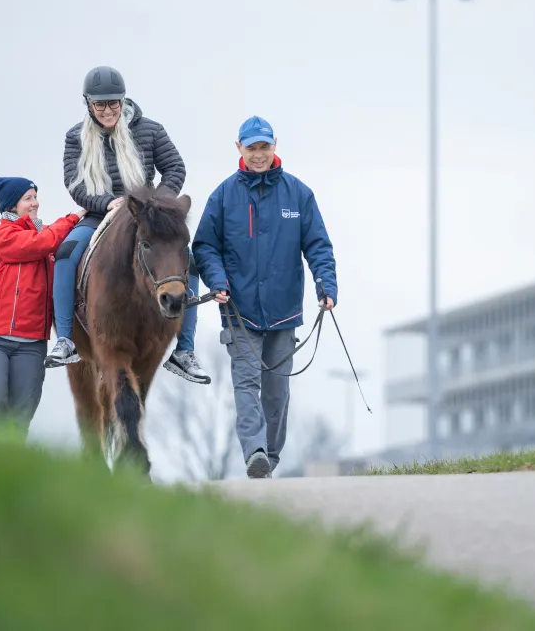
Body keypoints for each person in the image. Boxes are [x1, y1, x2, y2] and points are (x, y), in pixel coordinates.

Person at [192, 115, 338, 478]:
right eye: (252, 147)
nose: (259, 155)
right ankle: (254, 451)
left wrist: (326, 285)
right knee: (246, 383)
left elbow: (318, 245)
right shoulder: (224, 196)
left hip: (284, 311)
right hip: (239, 310)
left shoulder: (299, 195)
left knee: (276, 393)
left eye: (265, 147)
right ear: (239, 148)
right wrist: (217, 280)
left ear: (275, 146)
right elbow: (205, 246)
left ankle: (269, 457)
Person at [46, 65, 210, 384]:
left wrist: (154, 204)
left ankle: (185, 350)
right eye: (100, 104)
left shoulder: (151, 130)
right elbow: (74, 183)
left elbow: (175, 167)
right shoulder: (74, 137)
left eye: (113, 103)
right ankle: (65, 339)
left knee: (186, 261)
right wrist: (106, 202)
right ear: (89, 104)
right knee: (66, 254)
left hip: (144, 215)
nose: (107, 110)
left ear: (123, 101)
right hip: (100, 213)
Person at [0, 177, 85, 439]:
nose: (35, 203)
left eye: (35, 197)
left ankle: (10, 473)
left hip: (31, 343)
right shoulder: (0, 236)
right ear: (12, 205)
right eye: (28, 198)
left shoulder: (44, 239)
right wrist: (73, 218)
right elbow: (40, 244)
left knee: (21, 416)